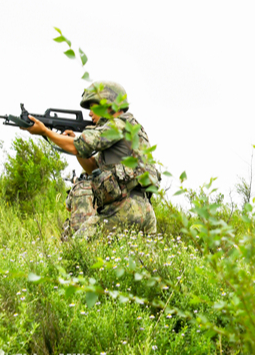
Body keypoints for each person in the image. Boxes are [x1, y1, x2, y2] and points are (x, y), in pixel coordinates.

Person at [22, 81, 159, 239]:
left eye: (93, 107)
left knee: (76, 249)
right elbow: (92, 166)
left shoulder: (118, 126)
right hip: (144, 212)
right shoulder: (131, 128)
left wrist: (45, 132)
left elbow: (80, 145)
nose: (89, 114)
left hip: (123, 209)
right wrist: (78, 149)